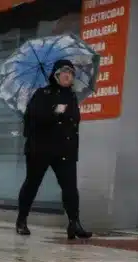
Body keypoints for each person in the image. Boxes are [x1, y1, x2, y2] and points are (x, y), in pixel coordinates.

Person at [16, 59, 92, 240]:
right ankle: (21, 220)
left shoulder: (72, 96)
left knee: (70, 187)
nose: (68, 76)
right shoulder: (42, 94)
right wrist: (54, 113)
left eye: (71, 73)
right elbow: (30, 121)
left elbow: (73, 125)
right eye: (64, 72)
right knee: (32, 184)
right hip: (40, 149)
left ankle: (75, 223)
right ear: (56, 75)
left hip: (65, 150)